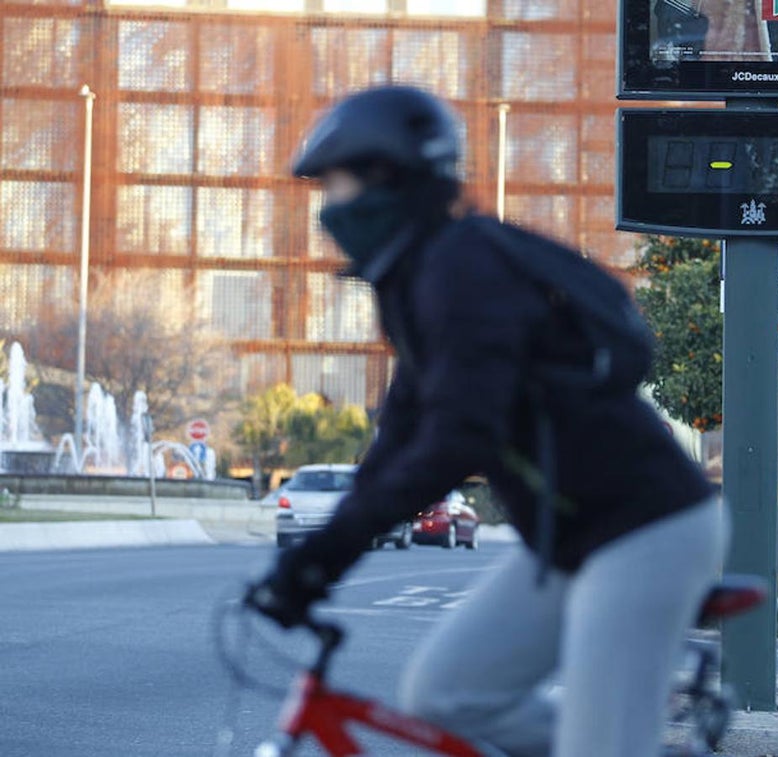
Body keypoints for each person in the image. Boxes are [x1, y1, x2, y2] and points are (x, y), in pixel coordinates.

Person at [244, 85, 727, 757]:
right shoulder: (414, 282)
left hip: (646, 529)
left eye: (338, 185)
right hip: (568, 538)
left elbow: (458, 436)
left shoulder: (463, 269)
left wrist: (328, 553)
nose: (329, 208)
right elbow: (400, 441)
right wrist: (317, 560)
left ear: (389, 178)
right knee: (446, 694)